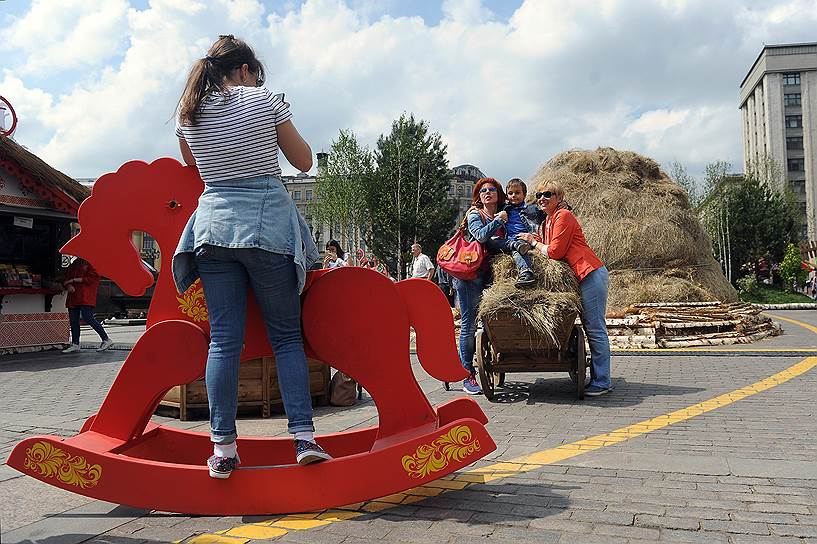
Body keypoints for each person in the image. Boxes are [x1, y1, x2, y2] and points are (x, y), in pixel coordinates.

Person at [172, 34, 330, 479]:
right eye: (256, 73)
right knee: (285, 338)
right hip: (266, 226)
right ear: (245, 70)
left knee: (224, 340)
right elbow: (302, 161)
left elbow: (191, 164)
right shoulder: (264, 100)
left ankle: (223, 447)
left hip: (213, 230)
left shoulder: (191, 112)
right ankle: (303, 437)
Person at [517, 181, 613, 396]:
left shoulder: (563, 216)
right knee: (590, 326)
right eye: (539, 195)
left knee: (594, 327)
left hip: (589, 273)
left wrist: (534, 244)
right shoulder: (547, 221)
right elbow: (545, 243)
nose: (542, 198)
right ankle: (599, 377)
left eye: (547, 194)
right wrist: (531, 240)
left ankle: (603, 381)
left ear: (558, 197)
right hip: (579, 277)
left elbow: (555, 252)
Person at [454, 177, 510, 395]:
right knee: (469, 323)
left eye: (492, 190)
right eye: (483, 190)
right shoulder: (475, 214)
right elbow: (479, 236)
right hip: (471, 275)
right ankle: (466, 373)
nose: (487, 193)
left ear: (498, 194)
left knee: (490, 321)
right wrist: (498, 221)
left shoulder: (505, 211)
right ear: (478, 196)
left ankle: (490, 360)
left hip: (491, 274)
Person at [61, 257, 113, 354]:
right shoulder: (75, 263)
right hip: (74, 296)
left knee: (88, 318)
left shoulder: (91, 263)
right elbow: (66, 278)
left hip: (85, 295)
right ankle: (75, 343)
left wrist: (73, 280)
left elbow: (92, 278)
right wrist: (68, 285)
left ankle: (106, 339)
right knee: (73, 320)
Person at [498, 178, 535, 287]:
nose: (513, 195)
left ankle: (526, 272)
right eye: (510, 193)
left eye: (517, 193)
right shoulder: (505, 209)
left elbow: (546, 212)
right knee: (493, 242)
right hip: (508, 240)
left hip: (523, 239)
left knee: (517, 250)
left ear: (525, 194)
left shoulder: (531, 209)